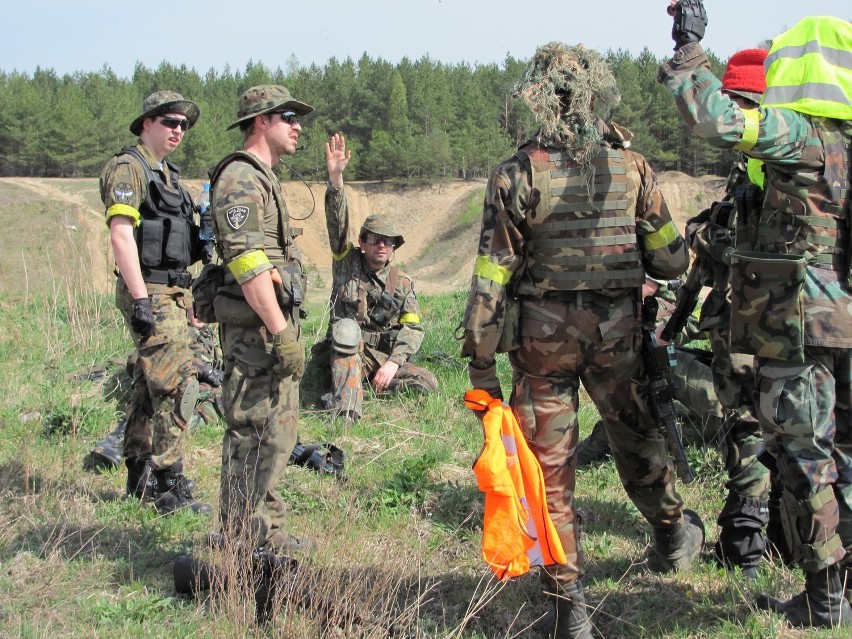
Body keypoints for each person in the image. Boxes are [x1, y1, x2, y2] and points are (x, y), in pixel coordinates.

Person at [459, 42, 703, 639]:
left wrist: (481, 362)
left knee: (549, 473)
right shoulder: (633, 167)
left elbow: (492, 277)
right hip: (617, 334)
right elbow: (671, 261)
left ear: (539, 97)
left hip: (542, 344)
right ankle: (672, 533)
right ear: (593, 93)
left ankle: (569, 609)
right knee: (635, 433)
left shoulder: (516, 173)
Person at [660, 4, 852, 628]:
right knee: (844, 457)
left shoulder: (802, 136)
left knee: (804, 460)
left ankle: (825, 601)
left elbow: (715, 117)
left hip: (798, 328)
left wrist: (690, 48)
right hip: (845, 326)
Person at [210, 85, 312, 555]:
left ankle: (263, 532)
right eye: (287, 116)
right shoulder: (239, 180)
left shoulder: (264, 178)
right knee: (253, 433)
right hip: (256, 334)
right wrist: (281, 331)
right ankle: (239, 541)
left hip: (268, 329)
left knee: (277, 433)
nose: (297, 126)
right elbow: (248, 263)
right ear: (259, 122)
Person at [99, 91, 209, 515]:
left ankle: (140, 473)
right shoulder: (130, 167)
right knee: (177, 385)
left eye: (183, 124)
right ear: (147, 123)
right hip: (151, 292)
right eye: (169, 121)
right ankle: (169, 484)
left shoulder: (170, 177)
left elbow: (174, 244)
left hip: (174, 292)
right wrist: (141, 302)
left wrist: (203, 242)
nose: (178, 130)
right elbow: (121, 234)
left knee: (149, 386)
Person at [315, 133, 438, 422]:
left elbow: (413, 329)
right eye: (374, 239)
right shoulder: (346, 263)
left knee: (426, 384)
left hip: (379, 358)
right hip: (346, 350)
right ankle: (347, 412)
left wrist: (393, 364)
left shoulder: (402, 282)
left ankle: (357, 386)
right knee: (346, 334)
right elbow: (337, 225)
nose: (382, 245)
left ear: (395, 246)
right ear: (362, 241)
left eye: (389, 240)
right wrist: (336, 182)